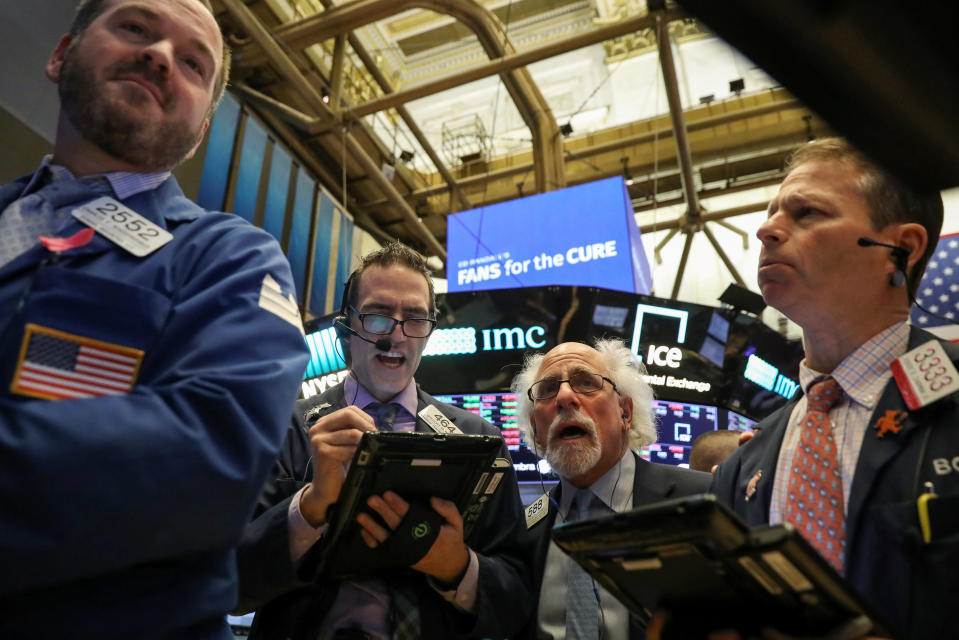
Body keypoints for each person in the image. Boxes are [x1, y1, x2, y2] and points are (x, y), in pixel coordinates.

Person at [0, 0, 309, 637]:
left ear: (200, 127)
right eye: (136, 28)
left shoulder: (233, 259)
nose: (161, 56)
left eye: (194, 63)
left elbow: (210, 459)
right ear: (61, 55)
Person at [708, 137, 955, 640]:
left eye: (807, 213)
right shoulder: (741, 469)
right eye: (773, 211)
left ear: (900, 251)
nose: (765, 228)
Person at [235, 241, 535, 639]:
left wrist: (457, 566)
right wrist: (307, 509)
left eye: (414, 318)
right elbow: (230, 584)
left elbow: (517, 597)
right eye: (377, 316)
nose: (396, 335)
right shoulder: (282, 428)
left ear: (428, 333)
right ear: (347, 326)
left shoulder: (479, 440)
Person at [512, 339, 711, 639]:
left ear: (625, 413)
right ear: (537, 431)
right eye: (548, 390)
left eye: (586, 382)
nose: (565, 397)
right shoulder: (523, 529)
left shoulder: (704, 500)